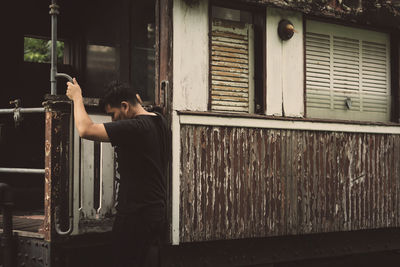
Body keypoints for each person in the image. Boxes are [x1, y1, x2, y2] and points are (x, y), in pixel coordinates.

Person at [66, 79, 170, 267]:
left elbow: (85, 129)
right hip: (156, 211)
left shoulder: (136, 128)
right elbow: (135, 101)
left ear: (125, 106)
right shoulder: (159, 121)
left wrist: (77, 97)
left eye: (113, 114)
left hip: (136, 214)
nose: (113, 120)